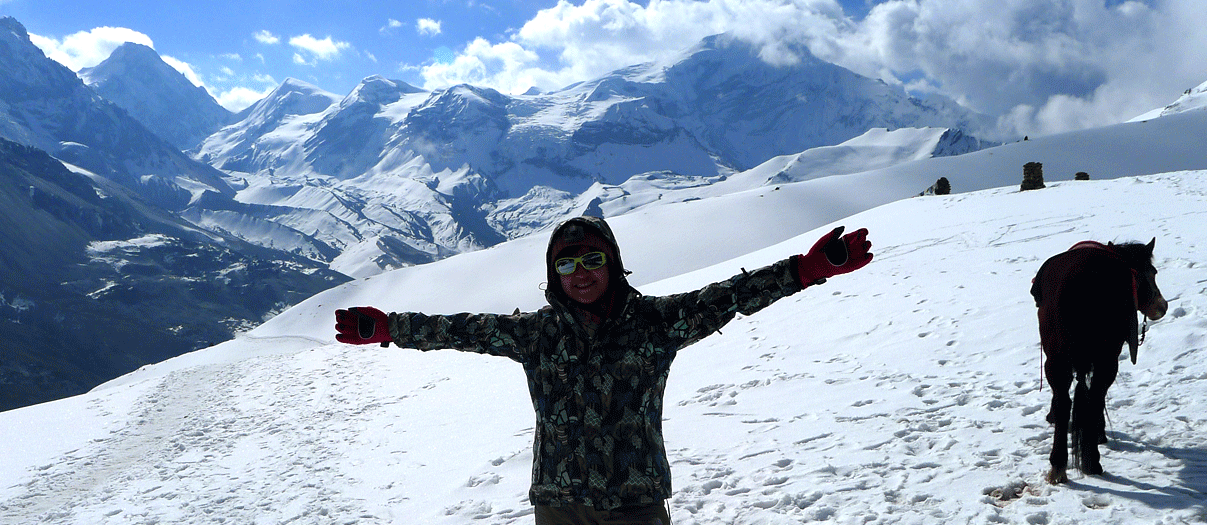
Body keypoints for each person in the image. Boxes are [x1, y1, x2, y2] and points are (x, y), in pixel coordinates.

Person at [335, 216, 873, 524]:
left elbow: (727, 297)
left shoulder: (655, 324)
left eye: (592, 260)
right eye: (566, 263)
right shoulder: (537, 334)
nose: (581, 273)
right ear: (554, 274)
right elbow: (463, 330)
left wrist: (805, 270)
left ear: (612, 264)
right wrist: (390, 328)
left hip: (635, 505)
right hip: (559, 507)